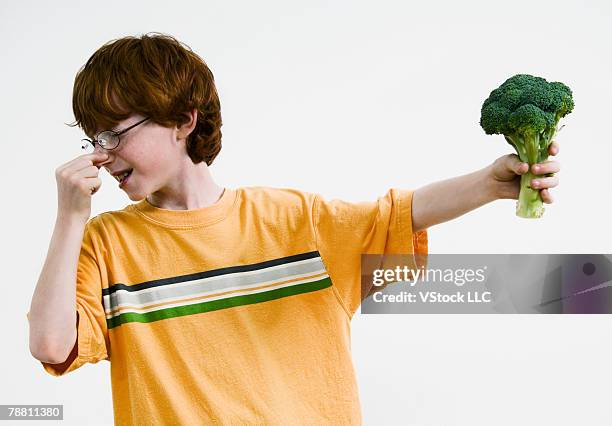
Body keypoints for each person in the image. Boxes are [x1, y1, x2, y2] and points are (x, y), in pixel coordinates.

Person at [26, 32, 560, 425]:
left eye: (115, 134)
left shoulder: (294, 221)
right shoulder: (106, 243)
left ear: (183, 121)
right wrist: (71, 217)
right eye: (93, 139)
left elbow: (395, 214)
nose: (102, 156)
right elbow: (52, 345)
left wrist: (492, 183)